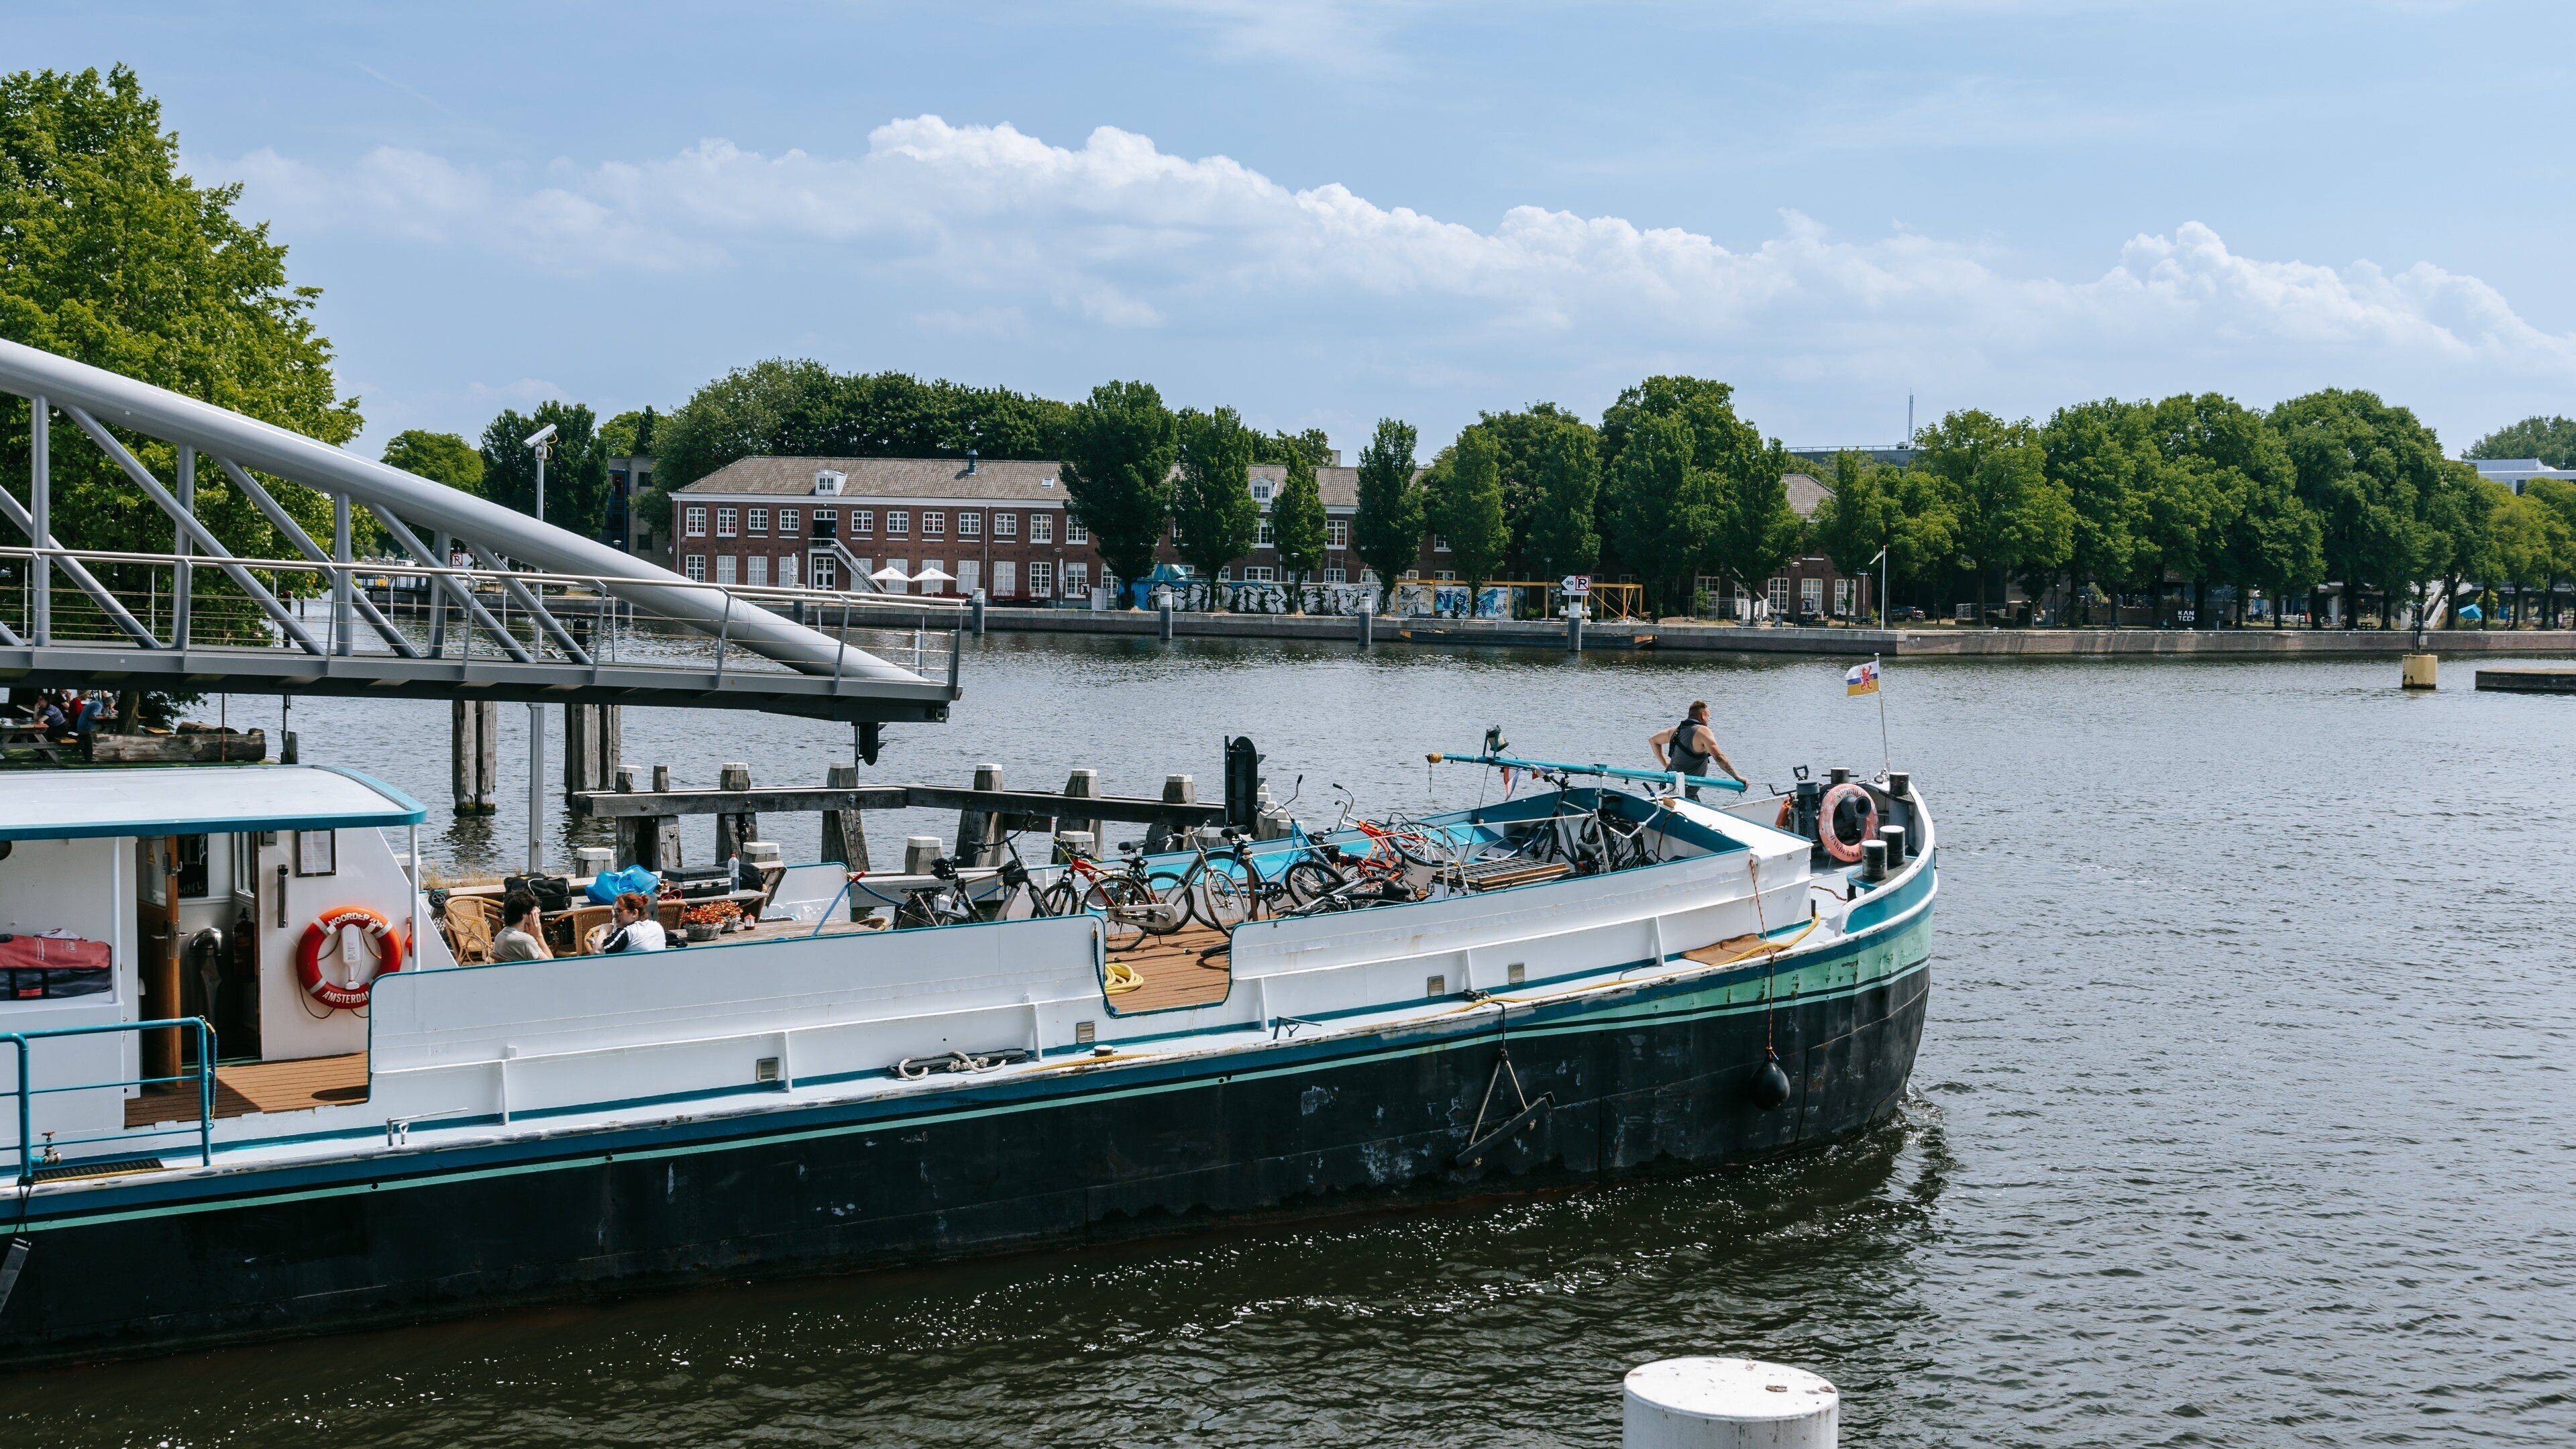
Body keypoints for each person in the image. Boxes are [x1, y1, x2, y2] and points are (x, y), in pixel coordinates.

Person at [1649, 700, 1745, 799]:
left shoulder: (1675, 731)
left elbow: (1653, 741)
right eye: (1708, 717)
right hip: (1685, 792)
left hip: (1667, 786)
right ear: (1703, 715)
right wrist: (1737, 777)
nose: (1709, 720)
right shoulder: (1703, 731)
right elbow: (1719, 757)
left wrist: (1665, 763)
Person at [598, 891, 667, 954]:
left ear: (634, 913)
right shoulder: (656, 926)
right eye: (614, 912)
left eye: (619, 911)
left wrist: (603, 931)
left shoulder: (628, 932)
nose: (615, 915)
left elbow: (598, 951)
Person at [490, 892, 552, 961]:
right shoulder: (524, 941)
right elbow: (552, 966)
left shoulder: (501, 935)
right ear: (524, 913)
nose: (538, 913)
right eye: (535, 910)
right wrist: (538, 936)